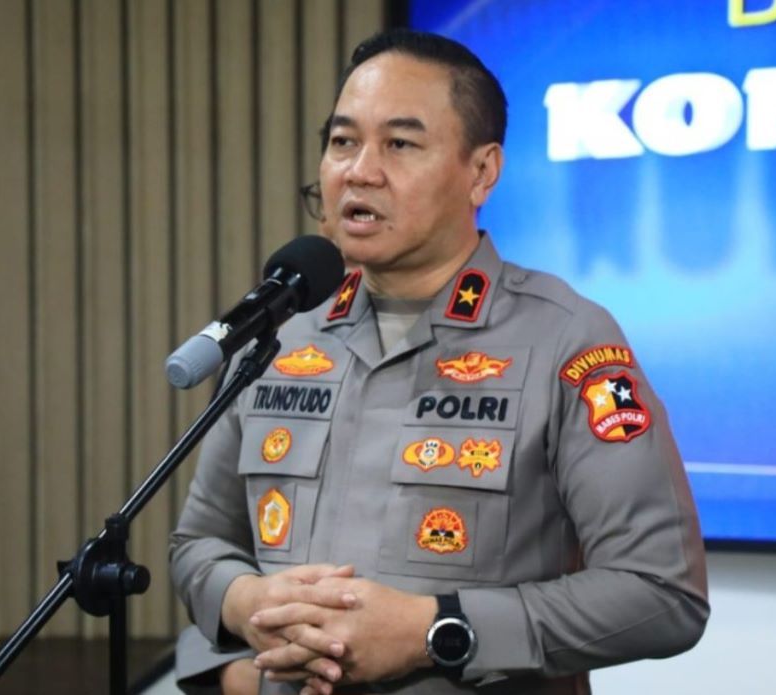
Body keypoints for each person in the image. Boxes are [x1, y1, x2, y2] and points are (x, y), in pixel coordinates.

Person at [170, 29, 709, 695]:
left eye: (400, 144)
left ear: (481, 172)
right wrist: (246, 603)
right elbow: (197, 545)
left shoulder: (566, 338)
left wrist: (436, 629)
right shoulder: (279, 338)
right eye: (343, 141)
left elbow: (662, 592)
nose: (360, 171)